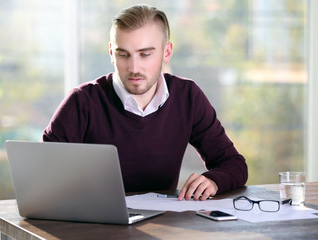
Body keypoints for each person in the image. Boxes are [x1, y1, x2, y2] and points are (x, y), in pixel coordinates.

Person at [42, 4, 248, 201]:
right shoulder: (82, 102)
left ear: (167, 52)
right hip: (92, 226)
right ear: (112, 53)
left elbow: (234, 164)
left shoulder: (188, 96)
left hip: (162, 227)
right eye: (124, 55)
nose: (134, 67)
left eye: (145, 54)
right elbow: (43, 177)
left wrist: (213, 180)